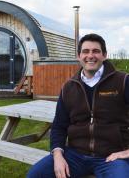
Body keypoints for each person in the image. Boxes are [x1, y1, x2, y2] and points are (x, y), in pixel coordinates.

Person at [27, 33, 129, 178]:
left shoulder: (123, 81)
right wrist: (57, 156)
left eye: (96, 51)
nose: (90, 55)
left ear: (104, 55)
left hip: (111, 157)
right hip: (75, 155)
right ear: (79, 56)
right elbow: (59, 126)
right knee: (36, 175)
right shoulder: (68, 87)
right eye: (85, 51)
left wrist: (127, 153)